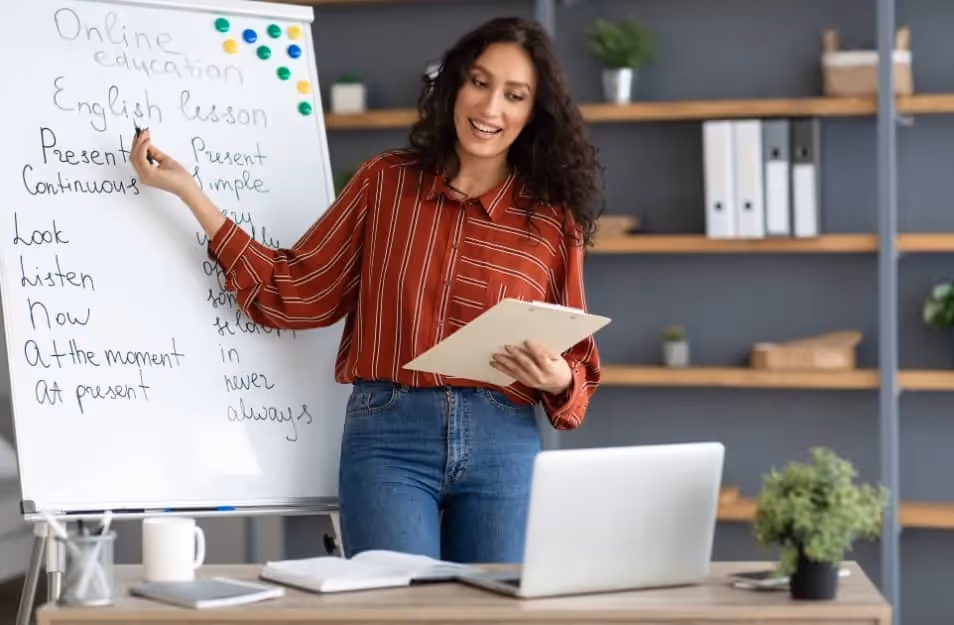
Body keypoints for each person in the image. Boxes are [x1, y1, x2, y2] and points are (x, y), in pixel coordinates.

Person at [128, 16, 604, 564]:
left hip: (504, 439)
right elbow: (295, 290)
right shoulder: (384, 181)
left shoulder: (550, 220)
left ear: (532, 113)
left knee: (492, 613)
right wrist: (191, 195)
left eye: (514, 95)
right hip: (389, 437)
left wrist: (558, 377)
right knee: (390, 608)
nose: (490, 107)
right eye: (479, 82)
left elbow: (579, 368)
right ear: (455, 85)